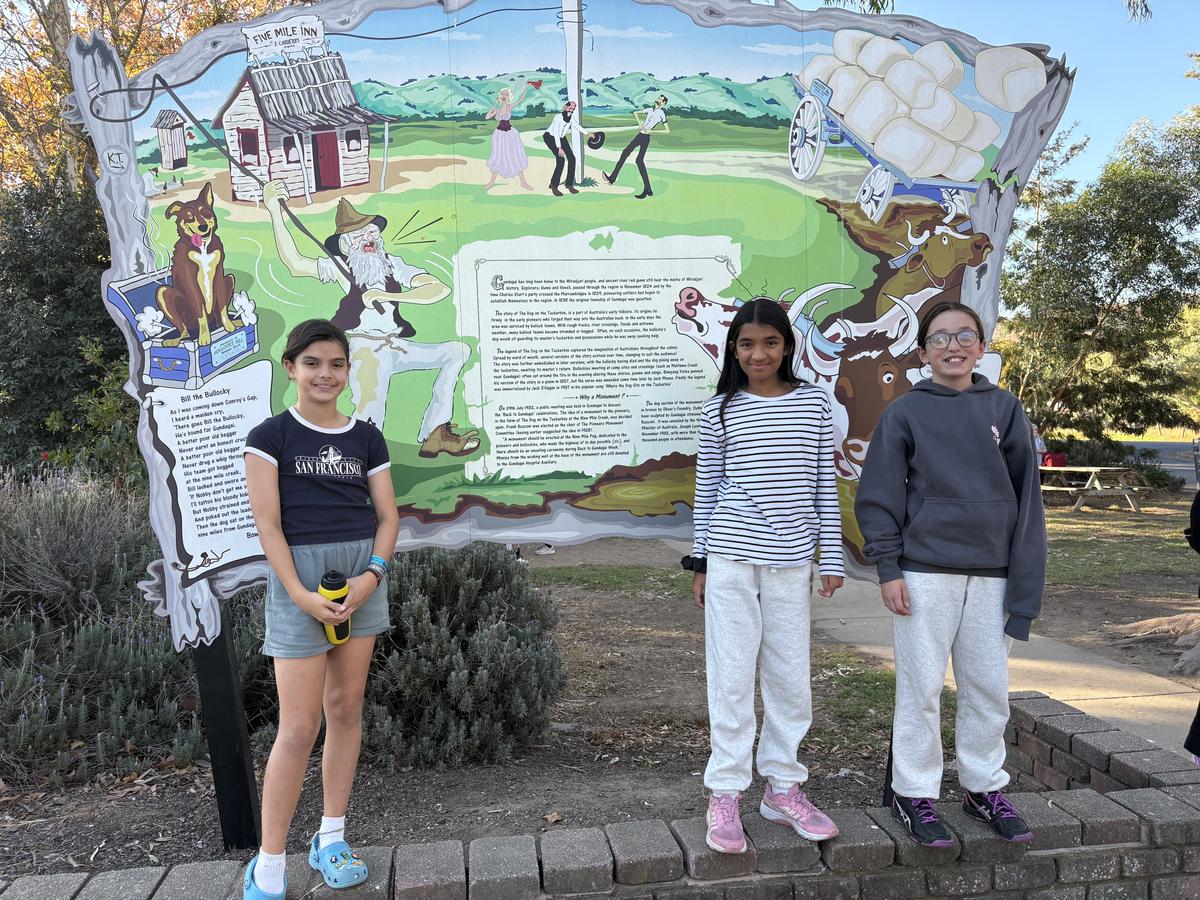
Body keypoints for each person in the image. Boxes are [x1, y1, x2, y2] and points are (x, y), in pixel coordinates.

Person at [855, 300, 1046, 847]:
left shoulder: (1005, 408)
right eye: (940, 337)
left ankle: (982, 787)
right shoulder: (905, 413)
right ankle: (914, 793)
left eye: (965, 335)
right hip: (923, 573)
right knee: (920, 688)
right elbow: (879, 496)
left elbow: (1027, 502)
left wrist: (1024, 585)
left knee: (987, 688)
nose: (953, 346)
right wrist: (889, 568)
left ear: (982, 347)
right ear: (923, 353)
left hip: (993, 577)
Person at [241, 319, 400, 899]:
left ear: (347, 370)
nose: (325, 374)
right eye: (312, 363)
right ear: (291, 368)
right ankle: (269, 863)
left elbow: (388, 517)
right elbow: (268, 525)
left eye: (336, 364)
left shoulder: (367, 438)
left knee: (346, 708)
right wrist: (300, 594)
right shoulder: (270, 436)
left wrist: (371, 577)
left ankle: (330, 837)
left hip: (360, 580)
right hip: (297, 585)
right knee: (299, 726)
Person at [687, 298, 845, 854]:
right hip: (731, 557)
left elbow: (824, 483)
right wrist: (701, 561)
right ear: (734, 349)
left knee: (789, 677)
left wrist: (831, 557)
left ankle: (782, 788)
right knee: (730, 677)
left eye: (770, 342)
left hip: (791, 562)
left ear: (787, 346)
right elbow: (708, 488)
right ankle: (725, 791)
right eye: (748, 344)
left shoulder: (814, 404)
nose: (759, 354)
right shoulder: (720, 410)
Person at [262, 182, 480, 458]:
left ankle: (435, 433)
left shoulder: (392, 264)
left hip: (395, 345)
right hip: (365, 350)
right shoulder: (339, 267)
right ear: (345, 245)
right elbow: (295, 264)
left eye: (372, 232)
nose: (369, 238)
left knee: (457, 351)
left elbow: (438, 289)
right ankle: (358, 466)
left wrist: (388, 295)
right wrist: (274, 211)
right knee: (370, 419)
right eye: (360, 235)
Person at [603, 94, 669, 199]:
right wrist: (640, 123)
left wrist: (652, 131)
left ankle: (647, 189)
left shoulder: (661, 113)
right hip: (640, 135)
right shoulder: (649, 110)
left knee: (639, 160)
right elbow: (635, 113)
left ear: (664, 103)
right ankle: (612, 178)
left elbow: (667, 130)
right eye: (658, 98)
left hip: (646, 137)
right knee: (626, 152)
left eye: (661, 100)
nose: (658, 100)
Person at [485, 85, 534, 191]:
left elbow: (521, 99)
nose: (504, 96)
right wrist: (495, 104)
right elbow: (487, 117)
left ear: (509, 97)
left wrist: (526, 87)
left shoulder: (509, 107)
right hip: (499, 135)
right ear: (500, 96)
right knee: (498, 156)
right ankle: (492, 181)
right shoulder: (497, 109)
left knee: (514, 156)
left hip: (510, 135)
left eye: (506, 94)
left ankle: (523, 182)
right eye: (502, 94)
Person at [543, 100, 591, 196]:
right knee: (561, 160)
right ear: (565, 107)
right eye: (570, 108)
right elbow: (556, 133)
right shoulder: (557, 117)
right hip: (550, 137)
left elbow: (577, 126)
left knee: (572, 159)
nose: (571, 110)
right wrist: (559, 148)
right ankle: (554, 185)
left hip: (561, 138)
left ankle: (569, 185)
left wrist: (588, 133)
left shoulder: (570, 117)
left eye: (573, 109)